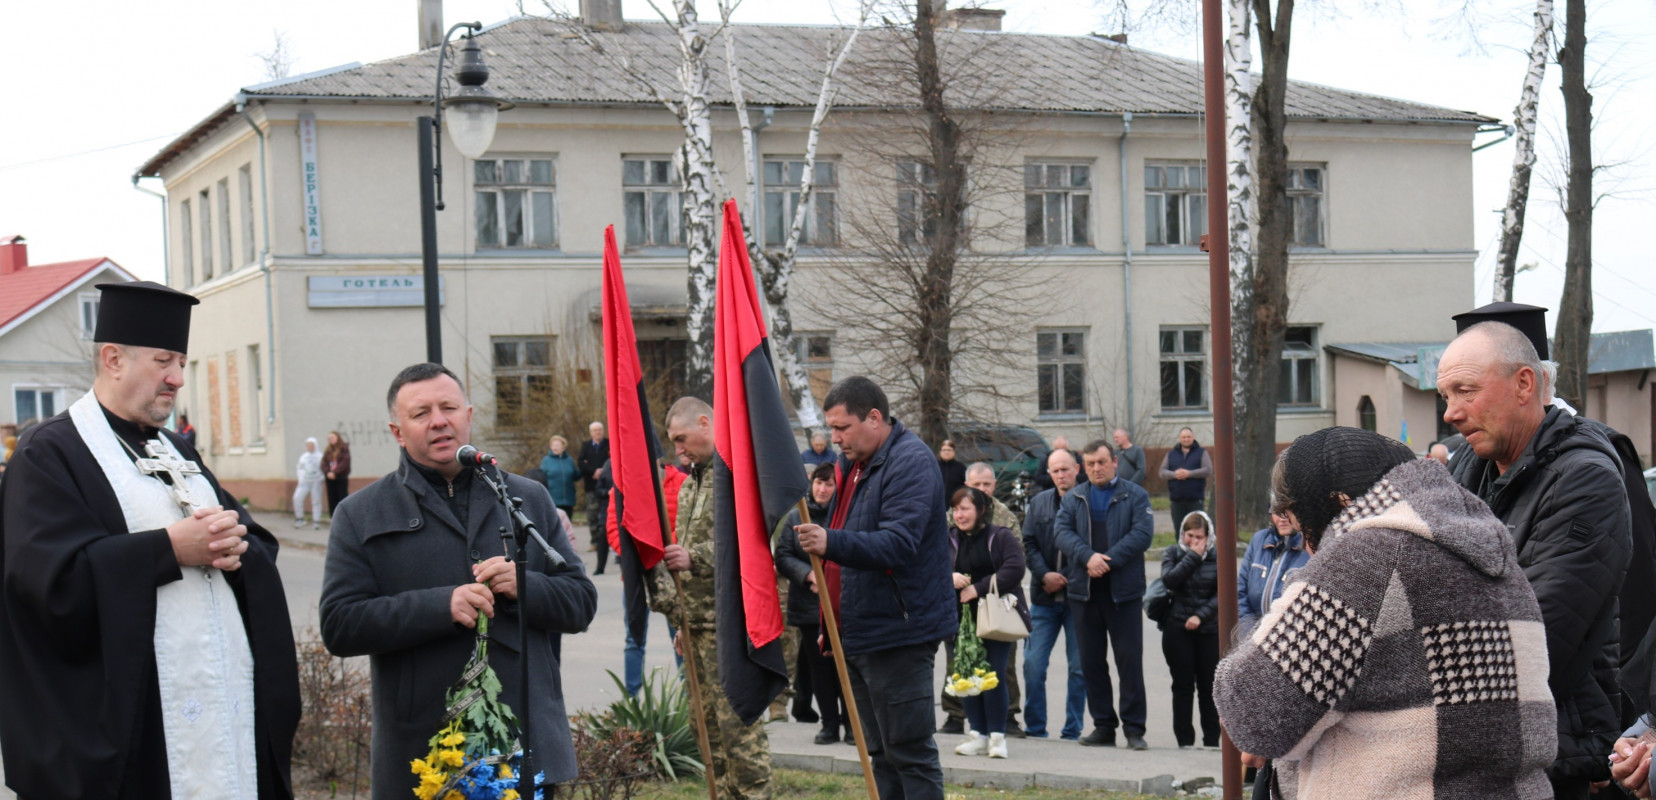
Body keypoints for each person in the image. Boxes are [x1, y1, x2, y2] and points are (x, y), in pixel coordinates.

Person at [0, 280, 300, 799]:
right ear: (113, 359)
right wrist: (168, 549)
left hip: (222, 710)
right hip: (138, 727)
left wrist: (237, 547)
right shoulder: (50, 453)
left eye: (182, 363)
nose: (177, 379)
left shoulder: (176, 450)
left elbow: (253, 540)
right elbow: (45, 583)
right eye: (165, 361)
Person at [1216, 426, 1556, 799]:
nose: (1311, 551)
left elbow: (1255, 713)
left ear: (1339, 502)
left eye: (1305, 530)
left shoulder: (1366, 556)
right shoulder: (1488, 547)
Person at [319, 362, 597, 800]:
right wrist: (439, 606)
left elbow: (580, 602)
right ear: (397, 430)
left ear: (468, 414)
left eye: (448, 407)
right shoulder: (360, 514)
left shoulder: (527, 498)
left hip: (526, 745)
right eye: (421, 413)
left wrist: (523, 585)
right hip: (424, 756)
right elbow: (340, 625)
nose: (438, 421)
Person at [1439, 319, 1633, 797]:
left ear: (1525, 384)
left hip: (1555, 752)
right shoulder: (1467, 463)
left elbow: (1533, 641)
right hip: (1481, 741)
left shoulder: (1585, 480)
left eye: (1465, 391)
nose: (1451, 413)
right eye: (1446, 396)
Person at [796, 376, 955, 800]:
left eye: (842, 428)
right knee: (879, 753)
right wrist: (834, 620)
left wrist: (830, 541)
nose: (835, 439)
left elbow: (898, 542)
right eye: (831, 429)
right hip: (860, 631)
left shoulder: (910, 462)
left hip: (900, 633)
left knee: (910, 752)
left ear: (874, 417)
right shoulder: (854, 465)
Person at [645, 397, 773, 799]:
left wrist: (694, 558)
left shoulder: (737, 477)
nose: (678, 450)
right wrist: (682, 620)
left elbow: (755, 549)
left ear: (705, 423)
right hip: (697, 626)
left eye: (682, 439)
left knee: (739, 730)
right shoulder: (690, 486)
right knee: (707, 732)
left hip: (731, 627)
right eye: (673, 442)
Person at [1053, 440, 1154, 749]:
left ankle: (1134, 730)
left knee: (1129, 662)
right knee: (1092, 663)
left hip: (1122, 594)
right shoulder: (1075, 498)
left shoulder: (1135, 495)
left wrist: (1105, 560)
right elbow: (1062, 533)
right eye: (1090, 463)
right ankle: (1103, 727)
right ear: (1084, 467)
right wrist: (1088, 558)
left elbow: (1142, 534)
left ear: (1114, 462)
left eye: (1101, 462)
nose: (1096, 468)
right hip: (1084, 594)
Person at [947, 487, 1030, 760]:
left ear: (981, 510)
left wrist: (978, 587)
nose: (960, 515)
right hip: (960, 618)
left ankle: (997, 737)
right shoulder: (947, 538)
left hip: (994, 616)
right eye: (956, 509)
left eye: (966, 509)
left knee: (992, 675)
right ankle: (977, 735)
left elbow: (1015, 568)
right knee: (967, 674)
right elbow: (931, 567)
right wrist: (951, 577)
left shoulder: (1000, 536)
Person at [776, 463, 849, 744]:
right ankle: (829, 724)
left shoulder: (843, 515)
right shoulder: (797, 516)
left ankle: (851, 725)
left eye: (829, 484)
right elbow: (782, 555)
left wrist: (831, 579)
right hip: (808, 606)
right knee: (819, 669)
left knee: (845, 666)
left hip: (841, 605)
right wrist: (808, 575)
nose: (822, 489)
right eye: (819, 482)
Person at [1021, 447, 1086, 741]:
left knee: (1078, 668)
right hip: (1043, 599)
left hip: (1078, 602)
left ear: (1077, 469)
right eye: (1055, 470)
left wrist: (1070, 579)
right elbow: (1028, 543)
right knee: (1033, 665)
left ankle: (1072, 730)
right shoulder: (1039, 504)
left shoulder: (1087, 503)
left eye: (1065, 469)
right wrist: (1044, 574)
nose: (1061, 475)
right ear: (1049, 473)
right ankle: (1036, 728)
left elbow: (1090, 548)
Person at [961, 461, 1024, 738]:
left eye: (987, 484)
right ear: (967, 485)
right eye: (977, 484)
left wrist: (984, 585)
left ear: (995, 485)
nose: (982, 489)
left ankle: (1006, 719)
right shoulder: (955, 514)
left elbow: (1016, 561)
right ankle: (961, 719)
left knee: (1001, 666)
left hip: (998, 602)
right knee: (963, 663)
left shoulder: (1005, 516)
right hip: (962, 603)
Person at [1159, 511, 1219, 750]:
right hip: (1178, 628)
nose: (1194, 541)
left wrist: (1200, 615)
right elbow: (1169, 580)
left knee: (1209, 687)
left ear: (1209, 536)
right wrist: (1193, 557)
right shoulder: (1173, 553)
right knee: (1182, 685)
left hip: (1208, 629)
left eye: (1199, 537)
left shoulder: (1217, 556)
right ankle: (1184, 741)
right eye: (1190, 536)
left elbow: (1222, 593)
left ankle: (1211, 741)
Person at [1236, 509, 1310, 639]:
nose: (1282, 518)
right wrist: (1249, 633)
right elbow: (1240, 590)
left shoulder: (1309, 547)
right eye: (1276, 512)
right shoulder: (1259, 540)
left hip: (1289, 638)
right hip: (1252, 636)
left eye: (1287, 511)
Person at [1158, 428, 1211, 534]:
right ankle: (1181, 550)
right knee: (1179, 530)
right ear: (1180, 438)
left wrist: (1189, 473)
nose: (1186, 439)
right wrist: (1174, 474)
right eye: (1184, 437)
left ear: (1193, 437)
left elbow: (1207, 470)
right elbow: (1162, 472)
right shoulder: (1171, 454)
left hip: (1195, 499)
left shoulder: (1201, 452)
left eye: (1188, 437)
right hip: (1177, 500)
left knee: (1197, 529)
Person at [579, 419, 610, 542]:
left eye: (600, 430)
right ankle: (595, 539)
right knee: (592, 513)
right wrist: (594, 471)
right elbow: (581, 463)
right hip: (591, 485)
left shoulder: (609, 444)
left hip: (607, 485)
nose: (598, 432)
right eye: (595, 430)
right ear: (591, 433)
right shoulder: (586, 446)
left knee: (607, 513)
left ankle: (608, 539)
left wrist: (603, 471)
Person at [540, 434, 579, 518]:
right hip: (553, 499)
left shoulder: (569, 460)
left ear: (563, 447)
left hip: (568, 499)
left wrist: (584, 468)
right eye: (553, 445)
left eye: (557, 445)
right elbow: (541, 477)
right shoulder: (546, 460)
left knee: (567, 523)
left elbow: (575, 476)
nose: (555, 448)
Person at [293, 436, 324, 529]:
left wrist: (321, 477)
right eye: (308, 445)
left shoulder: (320, 456)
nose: (309, 447)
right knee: (297, 498)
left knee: (316, 500)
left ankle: (316, 520)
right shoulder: (304, 457)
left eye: (311, 445)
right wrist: (301, 478)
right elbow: (299, 468)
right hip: (305, 481)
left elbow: (324, 468)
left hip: (316, 481)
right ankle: (299, 518)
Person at [323, 430, 352, 515]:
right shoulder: (328, 450)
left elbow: (345, 462)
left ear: (337, 438)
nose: (330, 439)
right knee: (332, 498)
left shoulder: (344, 448)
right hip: (329, 477)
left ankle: (344, 515)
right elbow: (324, 462)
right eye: (329, 438)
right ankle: (333, 515)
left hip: (340, 476)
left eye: (332, 437)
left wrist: (335, 472)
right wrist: (328, 472)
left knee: (342, 496)